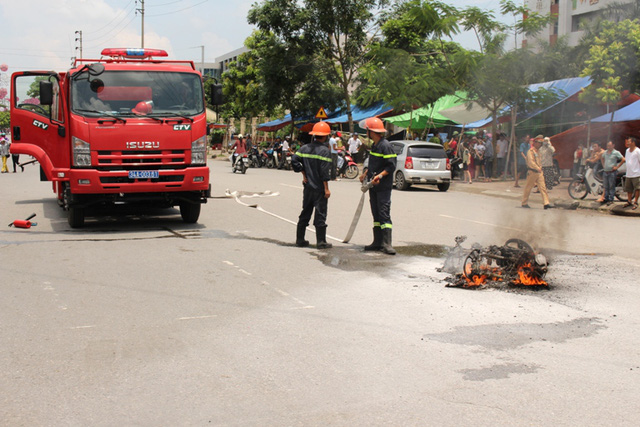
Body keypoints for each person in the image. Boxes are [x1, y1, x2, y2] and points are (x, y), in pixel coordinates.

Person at [359, 117, 397, 255]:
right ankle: (377, 242)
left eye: (367, 131)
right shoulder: (375, 145)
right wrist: (365, 174)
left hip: (383, 187)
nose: (366, 133)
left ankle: (387, 244)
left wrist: (380, 176)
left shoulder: (385, 145)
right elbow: (374, 164)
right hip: (373, 187)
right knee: (376, 214)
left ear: (371, 131)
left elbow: (391, 166)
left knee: (384, 214)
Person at [291, 121, 332, 249]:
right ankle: (321, 242)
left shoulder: (304, 148)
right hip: (319, 188)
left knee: (306, 212)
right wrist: (326, 189)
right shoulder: (325, 151)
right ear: (325, 136)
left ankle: (300, 239)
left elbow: (294, 160)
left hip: (308, 187)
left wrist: (303, 174)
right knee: (320, 214)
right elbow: (324, 172)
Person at [521, 136, 553, 209]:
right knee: (528, 188)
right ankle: (524, 202)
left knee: (543, 188)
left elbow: (540, 161)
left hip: (539, 172)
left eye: (541, 143)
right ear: (535, 143)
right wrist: (537, 168)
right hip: (532, 172)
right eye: (539, 143)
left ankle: (546, 203)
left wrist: (540, 167)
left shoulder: (539, 152)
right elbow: (531, 162)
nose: (540, 145)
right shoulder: (530, 151)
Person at [623, 136, 640, 209]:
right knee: (629, 189)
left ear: (633, 142)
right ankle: (629, 201)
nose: (627, 143)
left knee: (637, 188)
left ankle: (635, 202)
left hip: (636, 173)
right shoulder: (627, 150)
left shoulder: (638, 151)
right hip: (628, 173)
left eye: (629, 141)